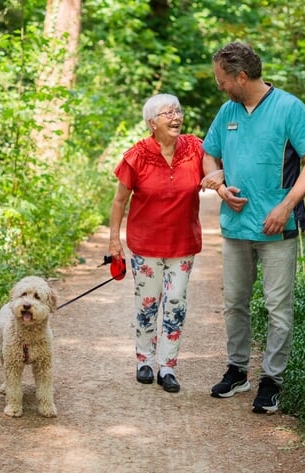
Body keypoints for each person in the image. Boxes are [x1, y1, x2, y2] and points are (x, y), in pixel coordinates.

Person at [200, 41, 305, 413]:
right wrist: (219, 185)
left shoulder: (289, 107)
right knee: (234, 303)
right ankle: (237, 371)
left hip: (277, 229)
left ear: (241, 76)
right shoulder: (227, 111)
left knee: (278, 307)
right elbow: (210, 154)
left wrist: (286, 205)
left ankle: (272, 380)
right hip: (236, 228)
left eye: (222, 79)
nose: (219, 85)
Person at [109, 93, 205, 393]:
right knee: (148, 305)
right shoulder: (136, 155)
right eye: (168, 113)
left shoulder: (196, 148)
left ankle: (167, 366)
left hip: (183, 243)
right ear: (152, 122)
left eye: (178, 111)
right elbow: (119, 201)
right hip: (146, 245)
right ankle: (145, 361)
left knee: (176, 303)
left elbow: (217, 168)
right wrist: (114, 241)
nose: (176, 117)